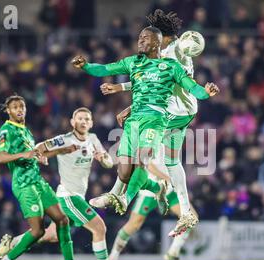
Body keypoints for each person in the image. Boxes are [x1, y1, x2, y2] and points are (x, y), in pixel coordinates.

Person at [71, 25, 219, 237]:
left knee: (144, 157)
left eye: (145, 38)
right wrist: (86, 66)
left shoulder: (172, 63)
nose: (140, 40)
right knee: (126, 168)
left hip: (162, 117)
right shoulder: (134, 62)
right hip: (136, 121)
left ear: (159, 41)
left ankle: (121, 197)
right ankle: (164, 195)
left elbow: (191, 87)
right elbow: (106, 70)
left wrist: (205, 92)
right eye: (139, 37)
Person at [0, 107, 130, 260]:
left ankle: (11, 243)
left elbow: (109, 163)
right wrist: (42, 156)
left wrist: (102, 158)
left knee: (52, 235)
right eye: (80, 119)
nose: (83, 121)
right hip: (68, 196)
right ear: (73, 122)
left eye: (87, 119)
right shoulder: (63, 140)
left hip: (78, 196)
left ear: (91, 123)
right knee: (99, 228)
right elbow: (38, 147)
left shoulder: (93, 139)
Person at [0, 95, 92, 260]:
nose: (20, 110)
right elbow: (1, 157)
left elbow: (36, 154)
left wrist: (57, 152)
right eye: (15, 107)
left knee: (62, 220)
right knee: (38, 231)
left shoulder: (26, 132)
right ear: (8, 111)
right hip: (24, 184)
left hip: (38, 182)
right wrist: (24, 154)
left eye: (22, 106)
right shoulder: (6, 129)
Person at [109, 148, 199, 260]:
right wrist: (167, 177)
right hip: (151, 191)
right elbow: (149, 165)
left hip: (169, 190)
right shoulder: (152, 136)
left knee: (190, 217)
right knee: (134, 224)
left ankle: (173, 252)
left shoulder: (171, 138)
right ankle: (112, 257)